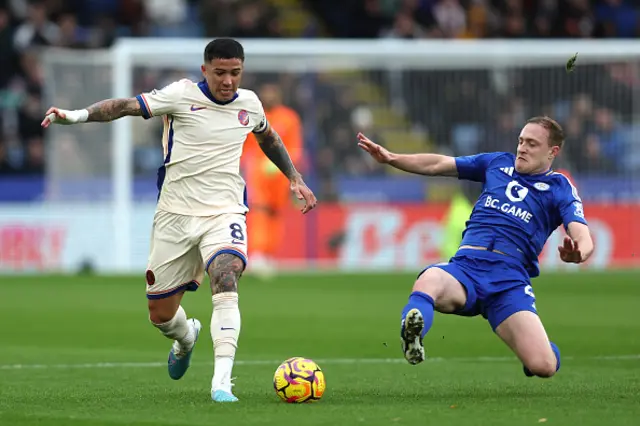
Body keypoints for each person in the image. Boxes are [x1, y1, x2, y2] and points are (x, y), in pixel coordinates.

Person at [41, 38, 317, 402]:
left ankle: (221, 382)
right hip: (174, 216)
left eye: (235, 73)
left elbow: (268, 137)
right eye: (220, 73)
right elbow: (123, 106)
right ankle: (186, 337)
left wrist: (294, 177)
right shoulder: (180, 95)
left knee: (226, 274)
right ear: (205, 71)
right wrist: (75, 116)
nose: (228, 81)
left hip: (225, 211)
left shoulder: (249, 104)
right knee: (161, 314)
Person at [357, 116, 593, 378]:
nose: (522, 148)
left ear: (552, 151)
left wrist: (579, 252)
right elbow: (439, 164)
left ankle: (545, 352)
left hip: (508, 281)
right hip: (467, 268)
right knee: (429, 279)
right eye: (521, 141)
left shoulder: (560, 188)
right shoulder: (497, 163)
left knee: (543, 366)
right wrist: (391, 158)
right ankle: (412, 334)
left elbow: (582, 234)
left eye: (532, 144)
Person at [242, 82, 304, 278]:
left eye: (272, 93)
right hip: (257, 171)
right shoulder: (252, 114)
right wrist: (248, 163)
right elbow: (245, 146)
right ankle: (257, 254)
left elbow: (295, 147)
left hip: (280, 173)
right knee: (259, 210)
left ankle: (269, 254)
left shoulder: (289, 118)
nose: (269, 97)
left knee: (275, 213)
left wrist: (287, 166)